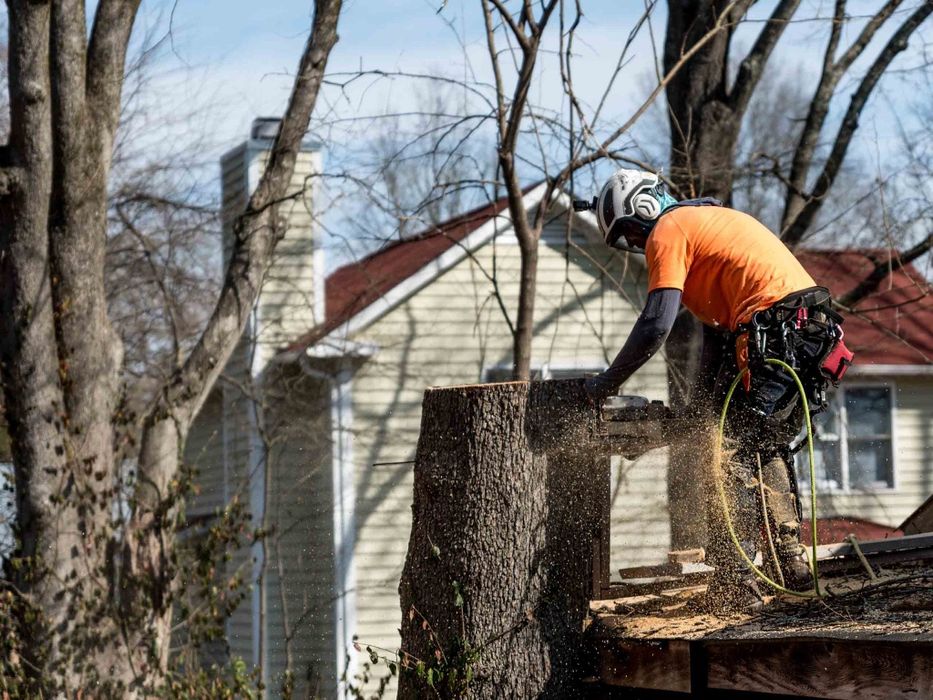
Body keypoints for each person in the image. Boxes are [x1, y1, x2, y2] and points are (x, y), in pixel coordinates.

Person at [581, 169, 853, 609]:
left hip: (777, 330)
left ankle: (735, 583)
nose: (636, 246)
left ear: (642, 209)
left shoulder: (668, 230)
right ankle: (793, 569)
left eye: (630, 233)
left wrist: (605, 384)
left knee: (726, 453)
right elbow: (719, 339)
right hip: (807, 334)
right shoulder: (707, 228)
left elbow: (655, 326)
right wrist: (698, 414)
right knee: (764, 447)